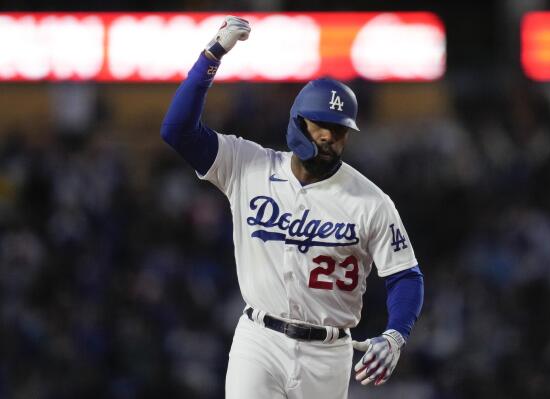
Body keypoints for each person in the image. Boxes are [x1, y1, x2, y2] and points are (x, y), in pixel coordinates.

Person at [160, 16, 424, 399]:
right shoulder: (248, 165)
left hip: (329, 352)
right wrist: (212, 54)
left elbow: (406, 276)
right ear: (298, 122)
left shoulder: (370, 201)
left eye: (339, 130)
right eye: (321, 125)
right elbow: (177, 131)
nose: (330, 137)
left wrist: (396, 335)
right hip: (260, 341)